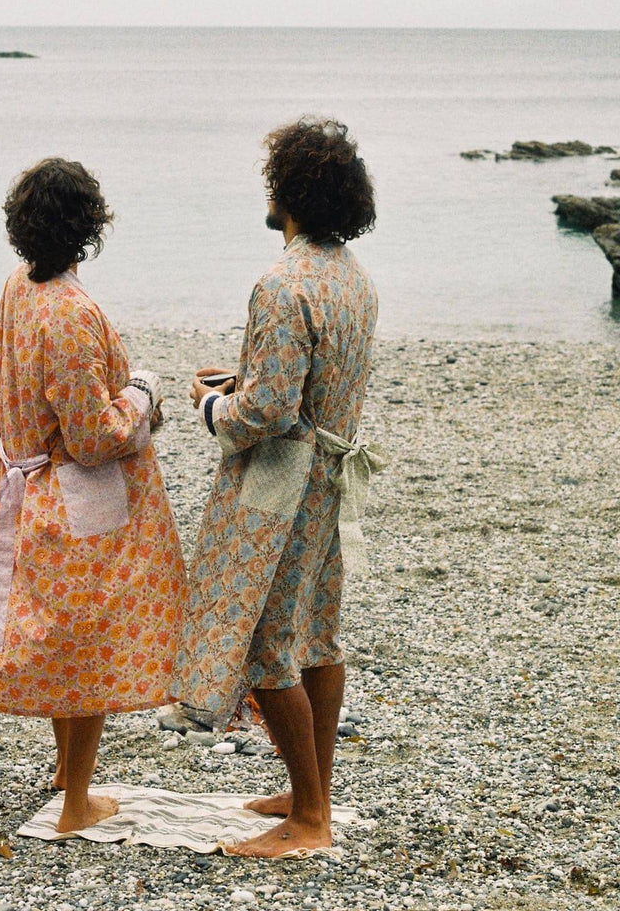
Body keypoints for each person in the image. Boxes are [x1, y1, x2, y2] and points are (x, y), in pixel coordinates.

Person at [0, 157, 187, 834]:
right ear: (89, 226)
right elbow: (94, 436)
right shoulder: (70, 310)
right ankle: (75, 805)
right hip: (71, 493)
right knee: (87, 643)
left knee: (66, 635)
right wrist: (144, 396)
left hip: (25, 474)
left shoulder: (18, 288)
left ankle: (69, 774)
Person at [175, 118, 379, 858]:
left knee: (267, 644)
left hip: (280, 488)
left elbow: (267, 412)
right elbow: (315, 389)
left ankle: (311, 820)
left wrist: (210, 403)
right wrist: (249, 383)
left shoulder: (281, 283)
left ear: (288, 192)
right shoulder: (352, 278)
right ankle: (309, 791)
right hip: (330, 477)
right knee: (318, 635)